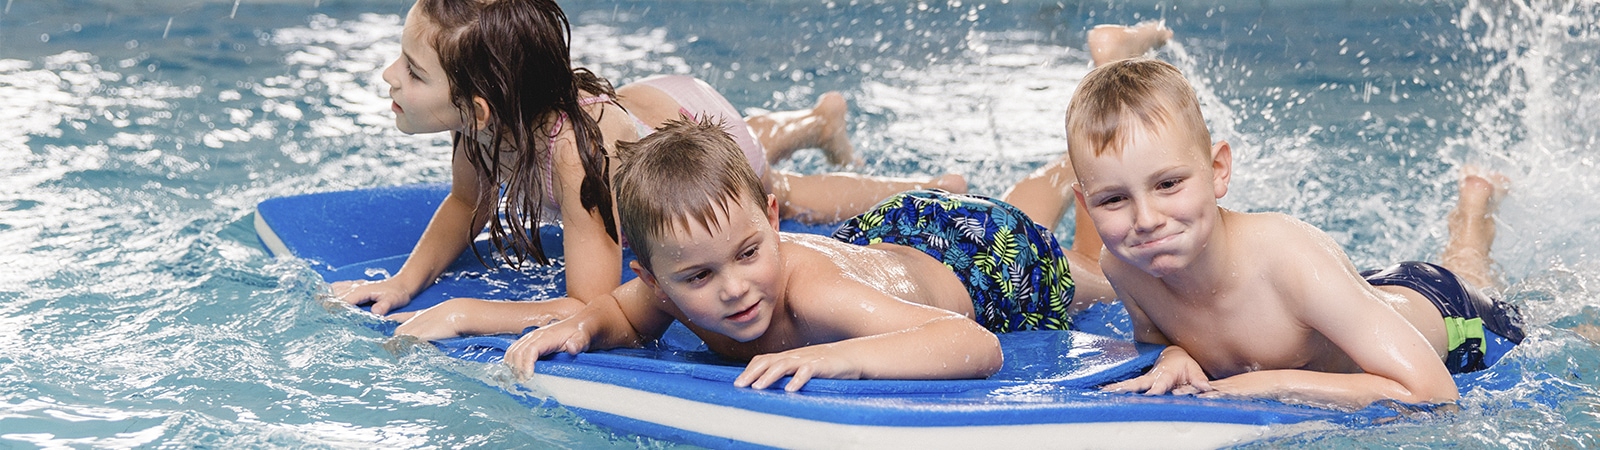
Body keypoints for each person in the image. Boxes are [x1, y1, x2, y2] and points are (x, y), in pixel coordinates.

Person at [333, 0, 966, 317]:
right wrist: (403, 282)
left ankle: (927, 185)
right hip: (644, 110)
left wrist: (470, 312)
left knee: (781, 191)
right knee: (759, 138)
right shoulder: (482, 123)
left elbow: (589, 302)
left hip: (684, 126)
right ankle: (814, 119)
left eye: (413, 71)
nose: (389, 76)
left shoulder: (574, 161)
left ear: (477, 107)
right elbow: (468, 203)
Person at [395, 116, 1120, 391]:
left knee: (1105, 279)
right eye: (700, 276)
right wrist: (581, 326)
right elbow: (618, 312)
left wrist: (830, 356)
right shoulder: (667, 286)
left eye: (749, 252)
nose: (736, 289)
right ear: (655, 276)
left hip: (986, 262)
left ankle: (1069, 177)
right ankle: (1054, 182)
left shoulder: (810, 296)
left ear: (773, 218)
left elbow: (976, 346)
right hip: (887, 242)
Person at [1065, 58, 1526, 410]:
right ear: (1086, 206)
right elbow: (1155, 339)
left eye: (1168, 184)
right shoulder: (1123, 264)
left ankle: (1471, 216)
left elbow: (1434, 394)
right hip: (1350, 301)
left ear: (1218, 170)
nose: (1145, 218)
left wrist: (1273, 382)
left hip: (1448, 315)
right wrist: (1171, 357)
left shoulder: (1286, 256)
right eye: (1113, 200)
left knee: (1475, 274)